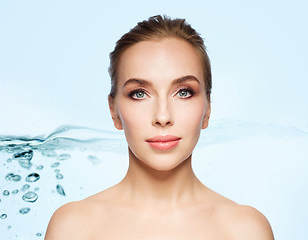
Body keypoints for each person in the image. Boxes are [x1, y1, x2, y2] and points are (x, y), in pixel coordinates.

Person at [45, 15, 274, 239]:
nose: (162, 116)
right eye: (139, 94)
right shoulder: (74, 227)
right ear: (114, 111)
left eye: (184, 92)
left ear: (207, 109)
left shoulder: (245, 230)